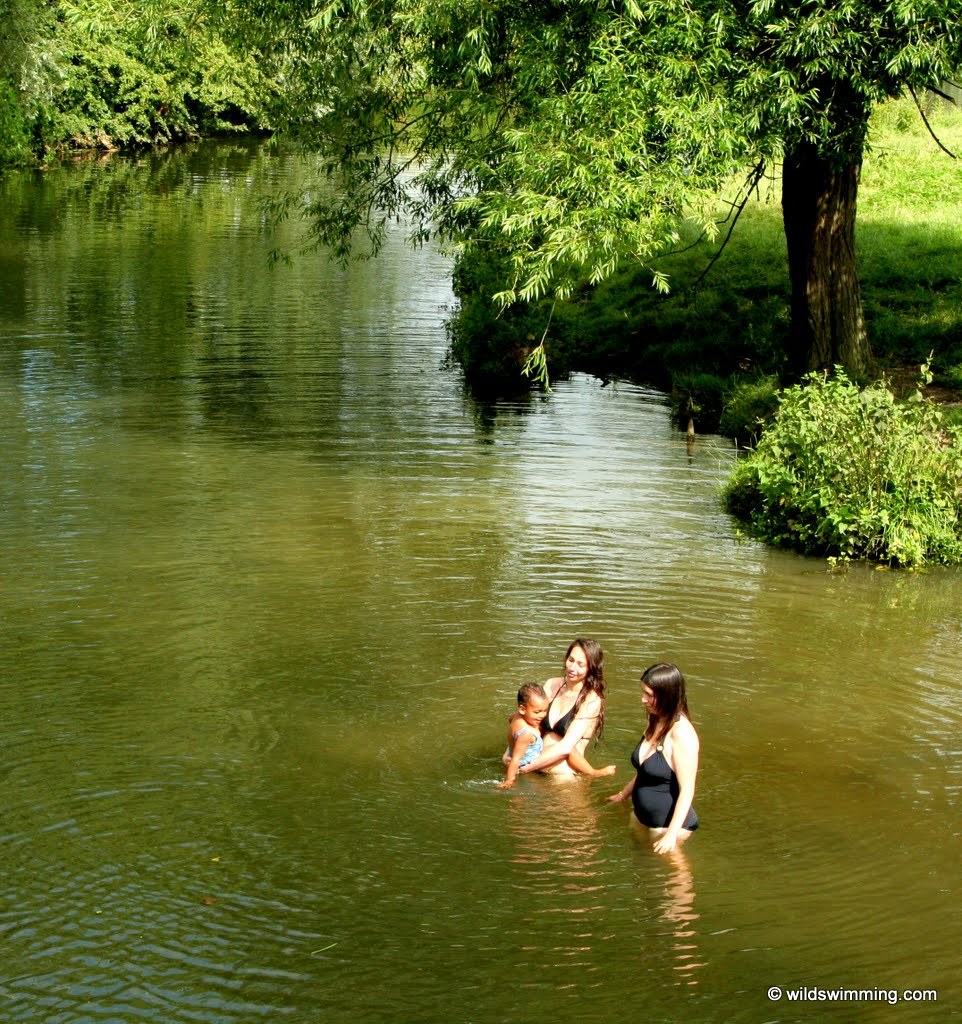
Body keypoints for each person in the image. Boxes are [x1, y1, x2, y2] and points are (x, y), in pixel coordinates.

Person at [609, 662, 699, 853]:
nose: (643, 699)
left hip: (667, 828)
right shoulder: (654, 718)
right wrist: (623, 794)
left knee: (678, 877)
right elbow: (647, 769)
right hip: (642, 820)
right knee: (644, 873)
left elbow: (687, 789)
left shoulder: (682, 733)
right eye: (643, 692)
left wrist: (671, 835)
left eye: (649, 695)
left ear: (667, 696)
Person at [514, 638, 616, 778]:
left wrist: (524, 768)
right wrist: (511, 755)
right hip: (536, 769)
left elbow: (566, 747)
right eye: (571, 660)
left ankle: (593, 774)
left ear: (590, 668)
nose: (572, 668)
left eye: (580, 664)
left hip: (563, 777)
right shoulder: (551, 685)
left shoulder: (592, 700)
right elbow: (525, 721)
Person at [498, 683, 550, 788]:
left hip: (518, 756)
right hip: (528, 768)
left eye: (545, 710)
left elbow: (510, 720)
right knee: (569, 752)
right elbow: (516, 760)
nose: (542, 715)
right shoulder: (526, 734)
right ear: (522, 709)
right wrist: (508, 781)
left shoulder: (515, 717)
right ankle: (590, 772)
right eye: (537, 712)